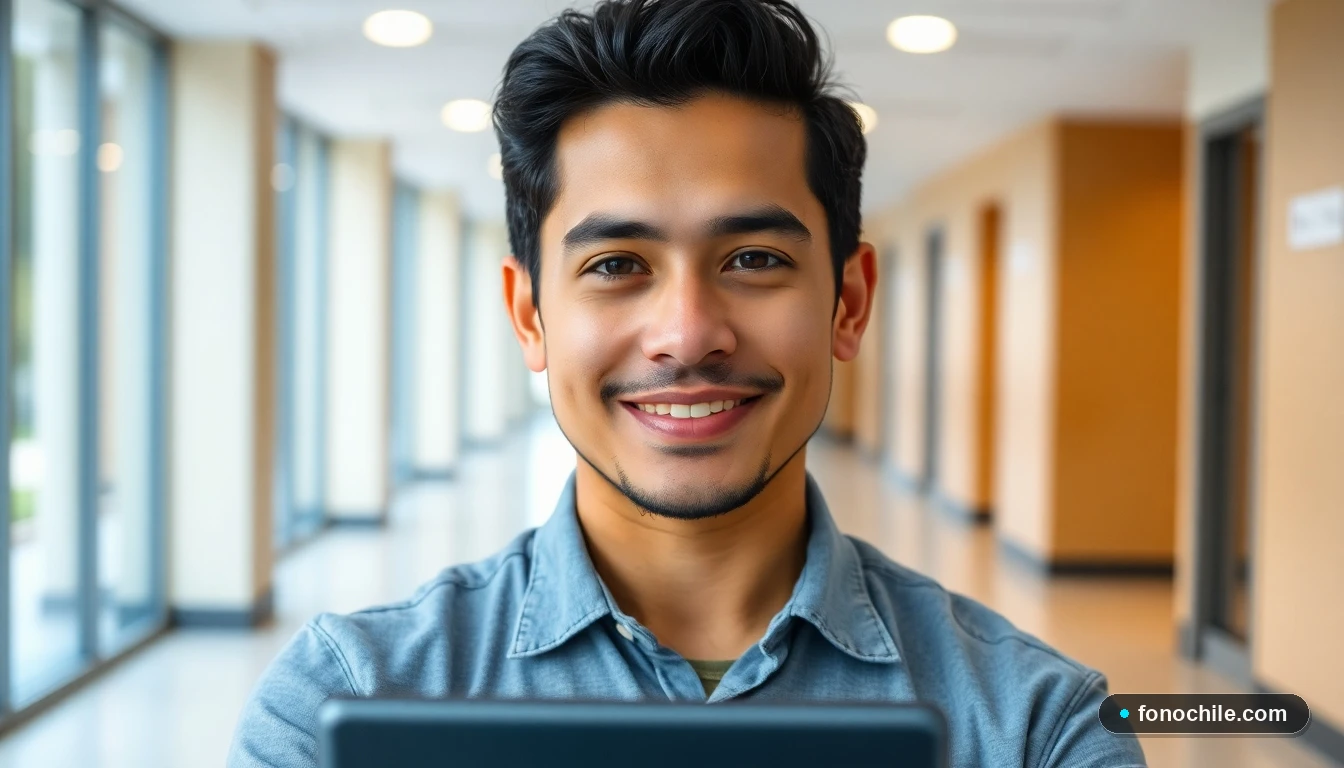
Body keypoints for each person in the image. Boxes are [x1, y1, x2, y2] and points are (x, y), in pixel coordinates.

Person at [229, 1, 1147, 766]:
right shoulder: (340, 705)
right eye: (617, 264)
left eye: (752, 257)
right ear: (530, 316)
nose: (687, 335)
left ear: (849, 302)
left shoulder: (1037, 729)